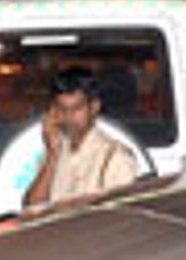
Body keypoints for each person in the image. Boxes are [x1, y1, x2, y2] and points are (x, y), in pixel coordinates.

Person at [24, 66, 137, 207]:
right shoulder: (55, 152)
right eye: (61, 108)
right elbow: (31, 209)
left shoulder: (115, 157)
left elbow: (119, 220)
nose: (68, 116)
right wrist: (52, 155)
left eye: (77, 108)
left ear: (94, 107)